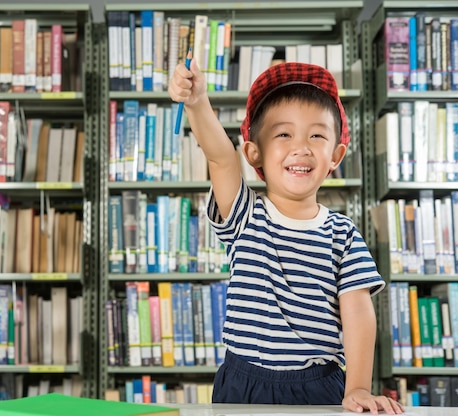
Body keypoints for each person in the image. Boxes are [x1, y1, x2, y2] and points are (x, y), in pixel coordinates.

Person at [168, 60, 404, 414]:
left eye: (317, 135)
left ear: (335, 155)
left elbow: (357, 311)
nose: (302, 147)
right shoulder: (245, 215)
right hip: (241, 382)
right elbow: (220, 159)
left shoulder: (344, 235)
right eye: (283, 134)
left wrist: (356, 386)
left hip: (319, 384)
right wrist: (198, 102)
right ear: (253, 152)